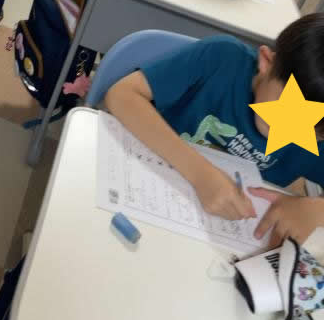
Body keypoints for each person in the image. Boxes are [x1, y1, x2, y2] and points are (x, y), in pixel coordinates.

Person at [105, 14, 324, 245]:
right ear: (266, 62)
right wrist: (200, 174)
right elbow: (122, 95)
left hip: (216, 239)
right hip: (149, 193)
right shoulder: (222, 59)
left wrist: (315, 210)